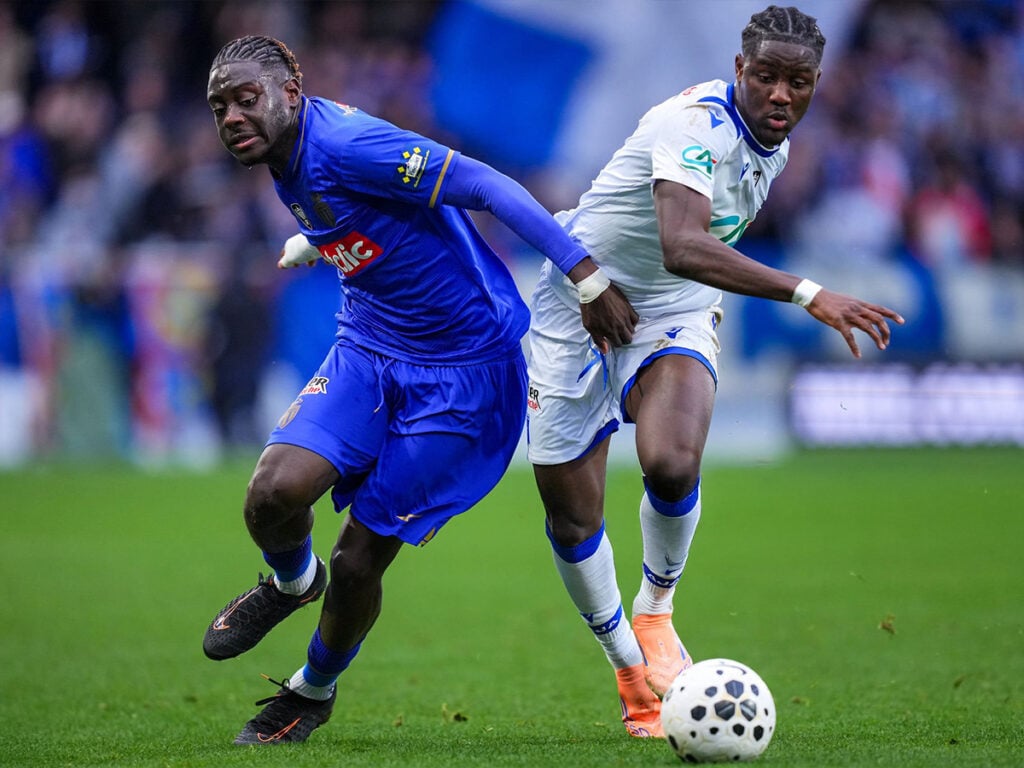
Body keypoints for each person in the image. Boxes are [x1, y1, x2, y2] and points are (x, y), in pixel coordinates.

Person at [202, 35, 637, 746]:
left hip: (465, 374)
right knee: (271, 495)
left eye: (245, 99)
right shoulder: (283, 151)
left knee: (357, 560)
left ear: (291, 92)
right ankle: (291, 584)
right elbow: (372, 213)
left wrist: (586, 277)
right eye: (219, 107)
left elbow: (487, 187)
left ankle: (311, 691)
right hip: (370, 347)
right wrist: (321, 239)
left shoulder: (349, 145)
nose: (232, 118)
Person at [524, 5, 904, 739]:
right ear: (739, 70)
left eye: (799, 82)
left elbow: (683, 268)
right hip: (575, 306)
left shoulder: (775, 143)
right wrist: (809, 293)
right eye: (766, 76)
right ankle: (628, 669)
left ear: (817, 83)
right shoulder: (695, 126)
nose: (781, 95)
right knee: (573, 517)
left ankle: (655, 611)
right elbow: (682, 243)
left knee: (671, 463)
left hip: (674, 306)